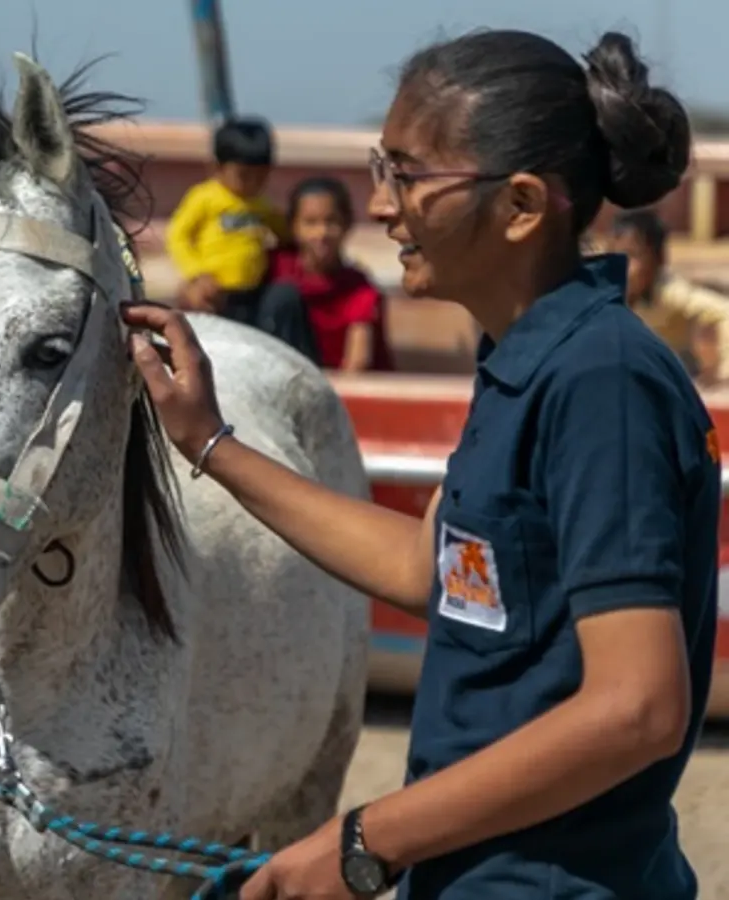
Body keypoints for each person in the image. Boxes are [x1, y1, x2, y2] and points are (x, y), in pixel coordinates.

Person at [125, 28, 714, 900]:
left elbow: (638, 707)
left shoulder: (602, 381)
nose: (381, 205)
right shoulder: (529, 359)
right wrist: (209, 443)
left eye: (406, 173)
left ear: (519, 205)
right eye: (379, 165)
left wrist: (366, 840)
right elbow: (427, 566)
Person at [164, 116, 321, 363]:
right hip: (217, 293)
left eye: (261, 176)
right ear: (217, 168)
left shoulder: (261, 205)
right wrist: (197, 273)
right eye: (244, 175)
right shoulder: (205, 198)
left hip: (253, 292)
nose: (253, 183)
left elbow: (284, 233)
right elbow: (178, 236)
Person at [270, 176, 394, 372]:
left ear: (347, 225)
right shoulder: (277, 269)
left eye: (331, 222)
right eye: (310, 223)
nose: (321, 233)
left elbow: (357, 365)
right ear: (293, 227)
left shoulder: (358, 288)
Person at [603, 207, 729, 386]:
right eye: (613, 254)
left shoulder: (669, 293)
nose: (622, 265)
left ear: (658, 260)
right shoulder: (607, 293)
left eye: (632, 255)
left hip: (675, 369)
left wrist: (724, 373)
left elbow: (723, 311)